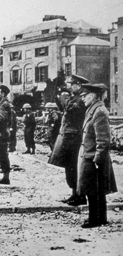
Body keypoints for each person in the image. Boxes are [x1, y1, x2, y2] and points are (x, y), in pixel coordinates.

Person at [77, 83, 117, 228]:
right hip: (90, 156)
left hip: (94, 158)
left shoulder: (99, 111)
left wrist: (97, 159)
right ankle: (98, 218)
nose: (82, 99)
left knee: (95, 191)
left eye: (84, 96)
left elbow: (103, 139)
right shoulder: (93, 110)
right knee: (92, 190)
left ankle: (96, 219)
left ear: (92, 96)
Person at [48, 74, 88, 206]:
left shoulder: (82, 99)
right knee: (69, 167)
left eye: (73, 84)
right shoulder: (74, 98)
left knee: (74, 166)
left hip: (75, 137)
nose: (70, 87)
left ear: (79, 85)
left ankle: (80, 195)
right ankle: (74, 193)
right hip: (69, 137)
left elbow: (75, 110)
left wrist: (64, 101)